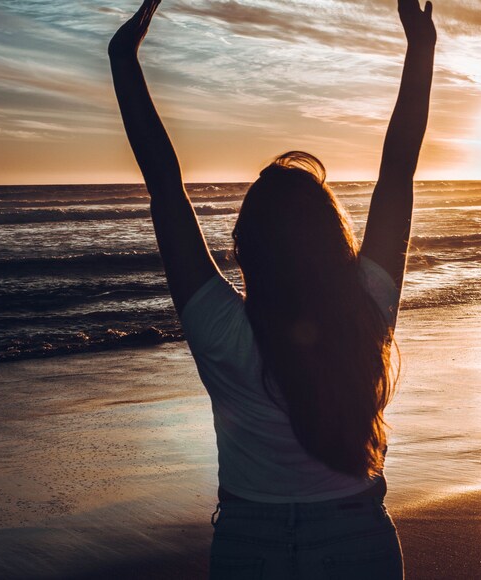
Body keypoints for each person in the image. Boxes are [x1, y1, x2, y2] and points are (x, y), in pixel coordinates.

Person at [108, 0, 435, 577]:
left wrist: (124, 61)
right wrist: (420, 46)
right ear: (333, 239)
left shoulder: (219, 330)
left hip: (247, 544)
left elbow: (165, 187)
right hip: (355, 538)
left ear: (245, 246)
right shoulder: (367, 310)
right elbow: (397, 172)